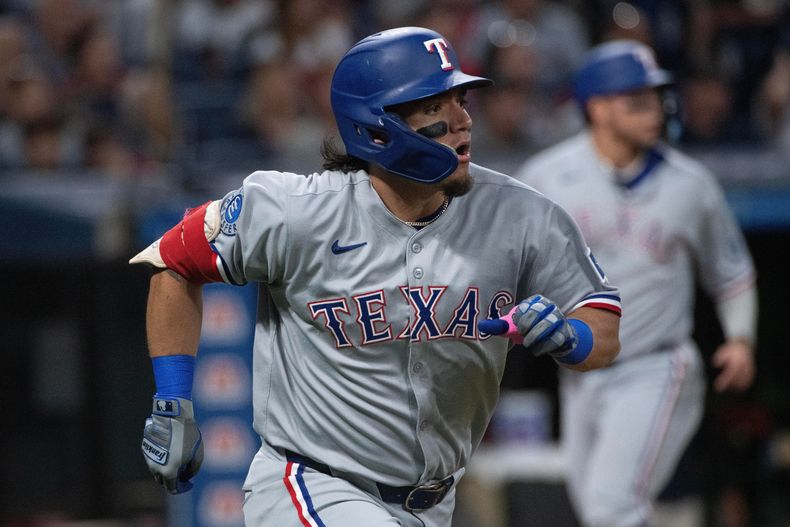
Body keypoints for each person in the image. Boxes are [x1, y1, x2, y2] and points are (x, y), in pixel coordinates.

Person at [130, 27, 622, 527]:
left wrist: (572, 337)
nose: (463, 120)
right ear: (377, 127)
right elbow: (173, 260)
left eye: (460, 99)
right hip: (310, 484)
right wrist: (172, 401)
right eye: (434, 107)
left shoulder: (521, 214)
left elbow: (602, 323)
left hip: (434, 502)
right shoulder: (296, 211)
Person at [516, 40, 758, 527]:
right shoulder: (546, 175)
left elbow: (732, 273)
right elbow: (503, 252)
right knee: (598, 509)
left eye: (655, 99)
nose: (655, 111)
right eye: (638, 101)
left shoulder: (690, 183)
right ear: (599, 109)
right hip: (579, 372)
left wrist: (741, 339)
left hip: (656, 364)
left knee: (612, 505)